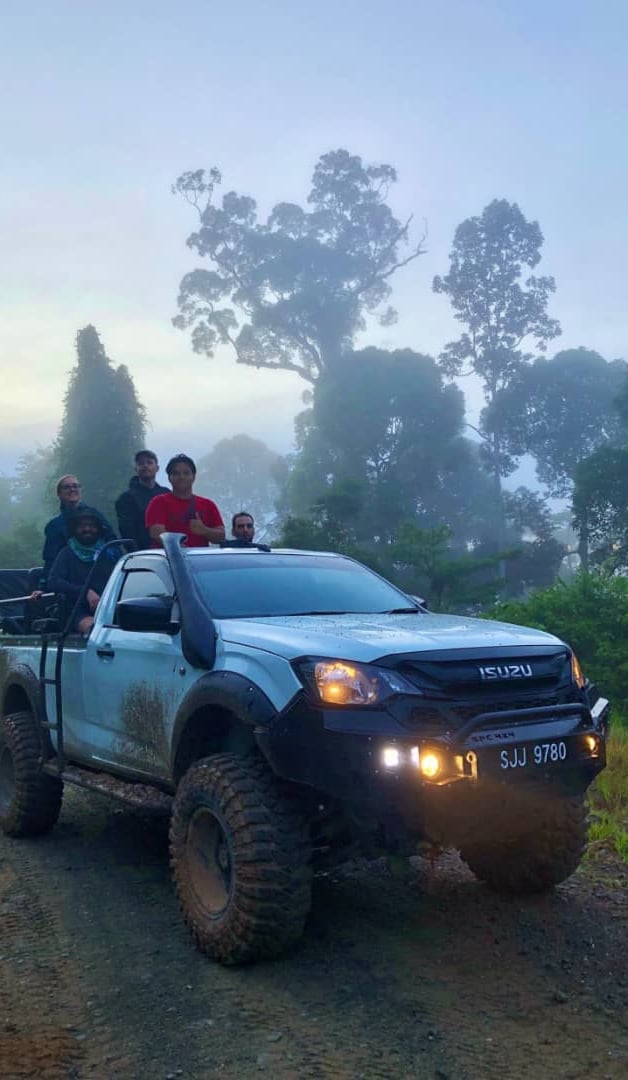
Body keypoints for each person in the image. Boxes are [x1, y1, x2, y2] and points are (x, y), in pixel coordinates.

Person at [48, 508, 119, 634]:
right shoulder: (67, 553)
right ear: (74, 529)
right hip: (78, 611)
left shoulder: (110, 552)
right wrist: (85, 592)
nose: (87, 529)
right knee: (98, 631)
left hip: (112, 608)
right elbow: (54, 582)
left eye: (92, 526)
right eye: (82, 526)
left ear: (99, 529)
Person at [42, 475, 116, 583]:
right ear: (59, 494)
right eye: (67, 487)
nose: (72, 489)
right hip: (71, 581)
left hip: (100, 575)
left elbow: (112, 541)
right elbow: (51, 559)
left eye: (75, 486)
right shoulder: (54, 526)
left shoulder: (96, 515)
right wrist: (44, 584)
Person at [145, 454, 225, 548]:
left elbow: (221, 536)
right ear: (169, 477)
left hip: (197, 560)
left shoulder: (208, 505)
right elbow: (156, 533)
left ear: (194, 477)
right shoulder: (158, 502)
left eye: (186, 473)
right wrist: (180, 549)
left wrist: (205, 530)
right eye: (176, 473)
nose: (181, 477)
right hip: (166, 560)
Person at [115, 450, 170, 552]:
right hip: (142, 554)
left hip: (169, 551)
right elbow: (127, 531)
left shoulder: (167, 494)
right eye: (141, 463)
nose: (145, 466)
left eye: (149, 462)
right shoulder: (126, 499)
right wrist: (137, 554)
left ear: (157, 468)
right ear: (136, 468)